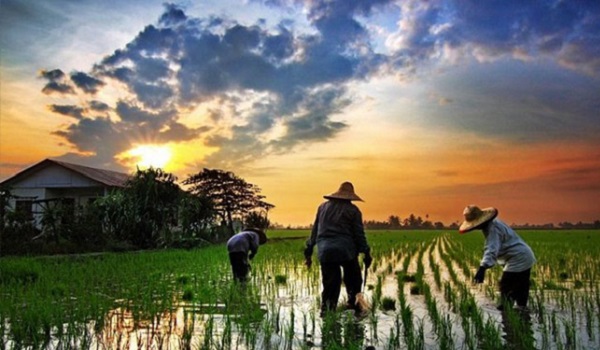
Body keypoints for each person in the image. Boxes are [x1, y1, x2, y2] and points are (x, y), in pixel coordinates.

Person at [304, 182, 372, 316]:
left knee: (330, 285)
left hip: (325, 251)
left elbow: (315, 230)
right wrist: (366, 252)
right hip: (347, 251)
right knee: (354, 280)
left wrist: (309, 249)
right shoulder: (353, 210)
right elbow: (359, 234)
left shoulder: (322, 207)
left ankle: (327, 314)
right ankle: (353, 305)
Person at [459, 205, 536, 310]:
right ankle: (523, 315)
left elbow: (491, 249)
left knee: (506, 287)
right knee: (521, 288)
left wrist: (482, 268)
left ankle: (507, 317)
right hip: (524, 255)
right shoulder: (493, 224)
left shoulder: (492, 229)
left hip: (518, 257)